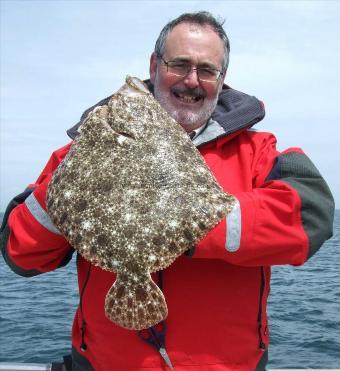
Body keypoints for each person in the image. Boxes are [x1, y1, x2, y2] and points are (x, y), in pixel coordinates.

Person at [1, 11, 335, 371]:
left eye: (207, 70)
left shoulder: (257, 151)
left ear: (222, 79)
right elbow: (20, 256)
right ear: (154, 65)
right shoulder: (77, 156)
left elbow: (311, 216)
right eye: (180, 64)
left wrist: (186, 223)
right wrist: (72, 187)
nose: (192, 80)